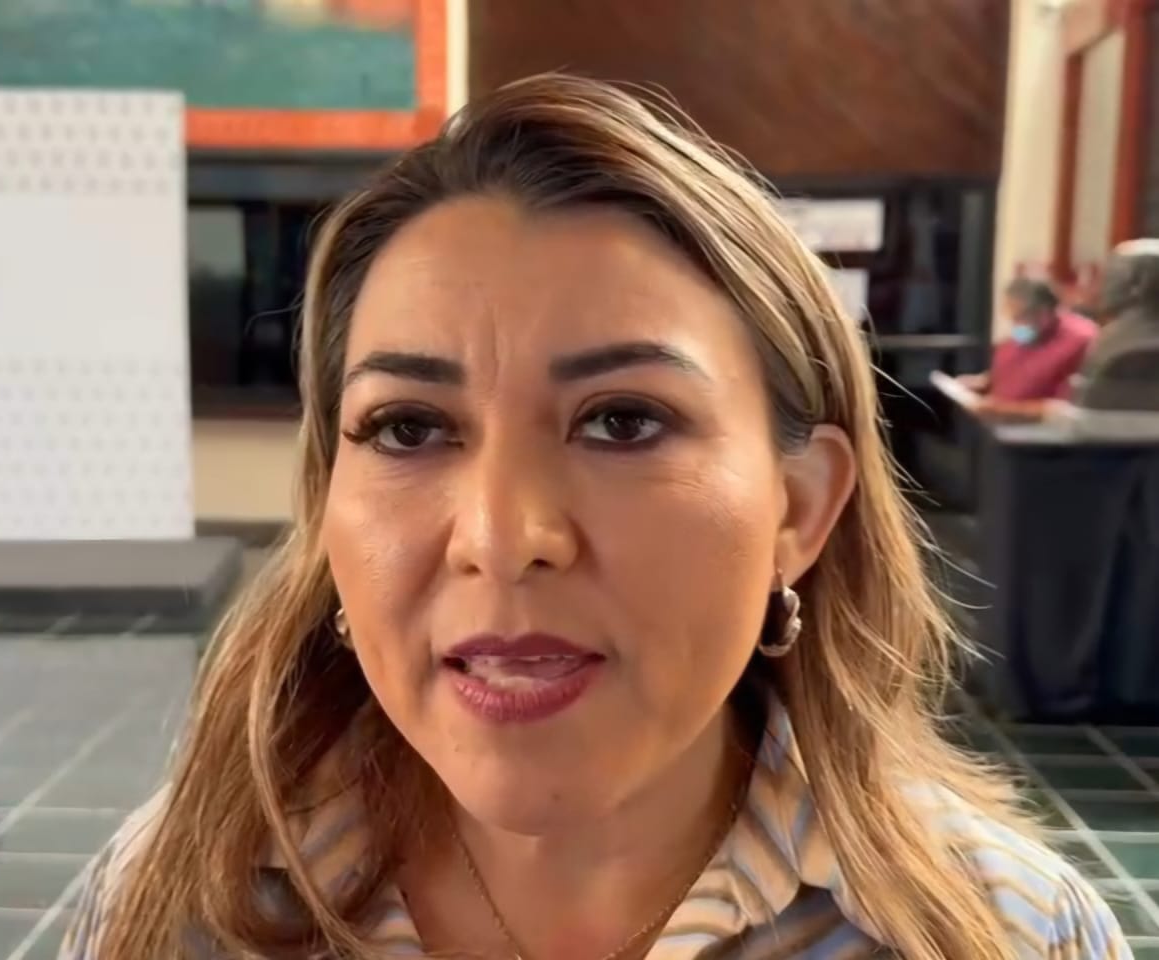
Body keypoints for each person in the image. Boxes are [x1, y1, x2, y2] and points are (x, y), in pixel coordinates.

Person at [62, 76, 1126, 960]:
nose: (500, 537)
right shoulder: (176, 906)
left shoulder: (1008, 934)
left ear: (799, 509)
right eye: (407, 427)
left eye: (622, 421)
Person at [958, 278, 1096, 419]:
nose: (1015, 325)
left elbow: (1064, 410)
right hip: (994, 421)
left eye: (1018, 317)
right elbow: (1012, 369)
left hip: (1030, 429)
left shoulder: (1081, 340)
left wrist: (1002, 410)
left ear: (1043, 314)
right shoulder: (1022, 336)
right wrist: (983, 382)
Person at [1072, 238, 1159, 412]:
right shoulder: (1114, 334)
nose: (1100, 286)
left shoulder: (1140, 349)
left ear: (1137, 284)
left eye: (1110, 277)